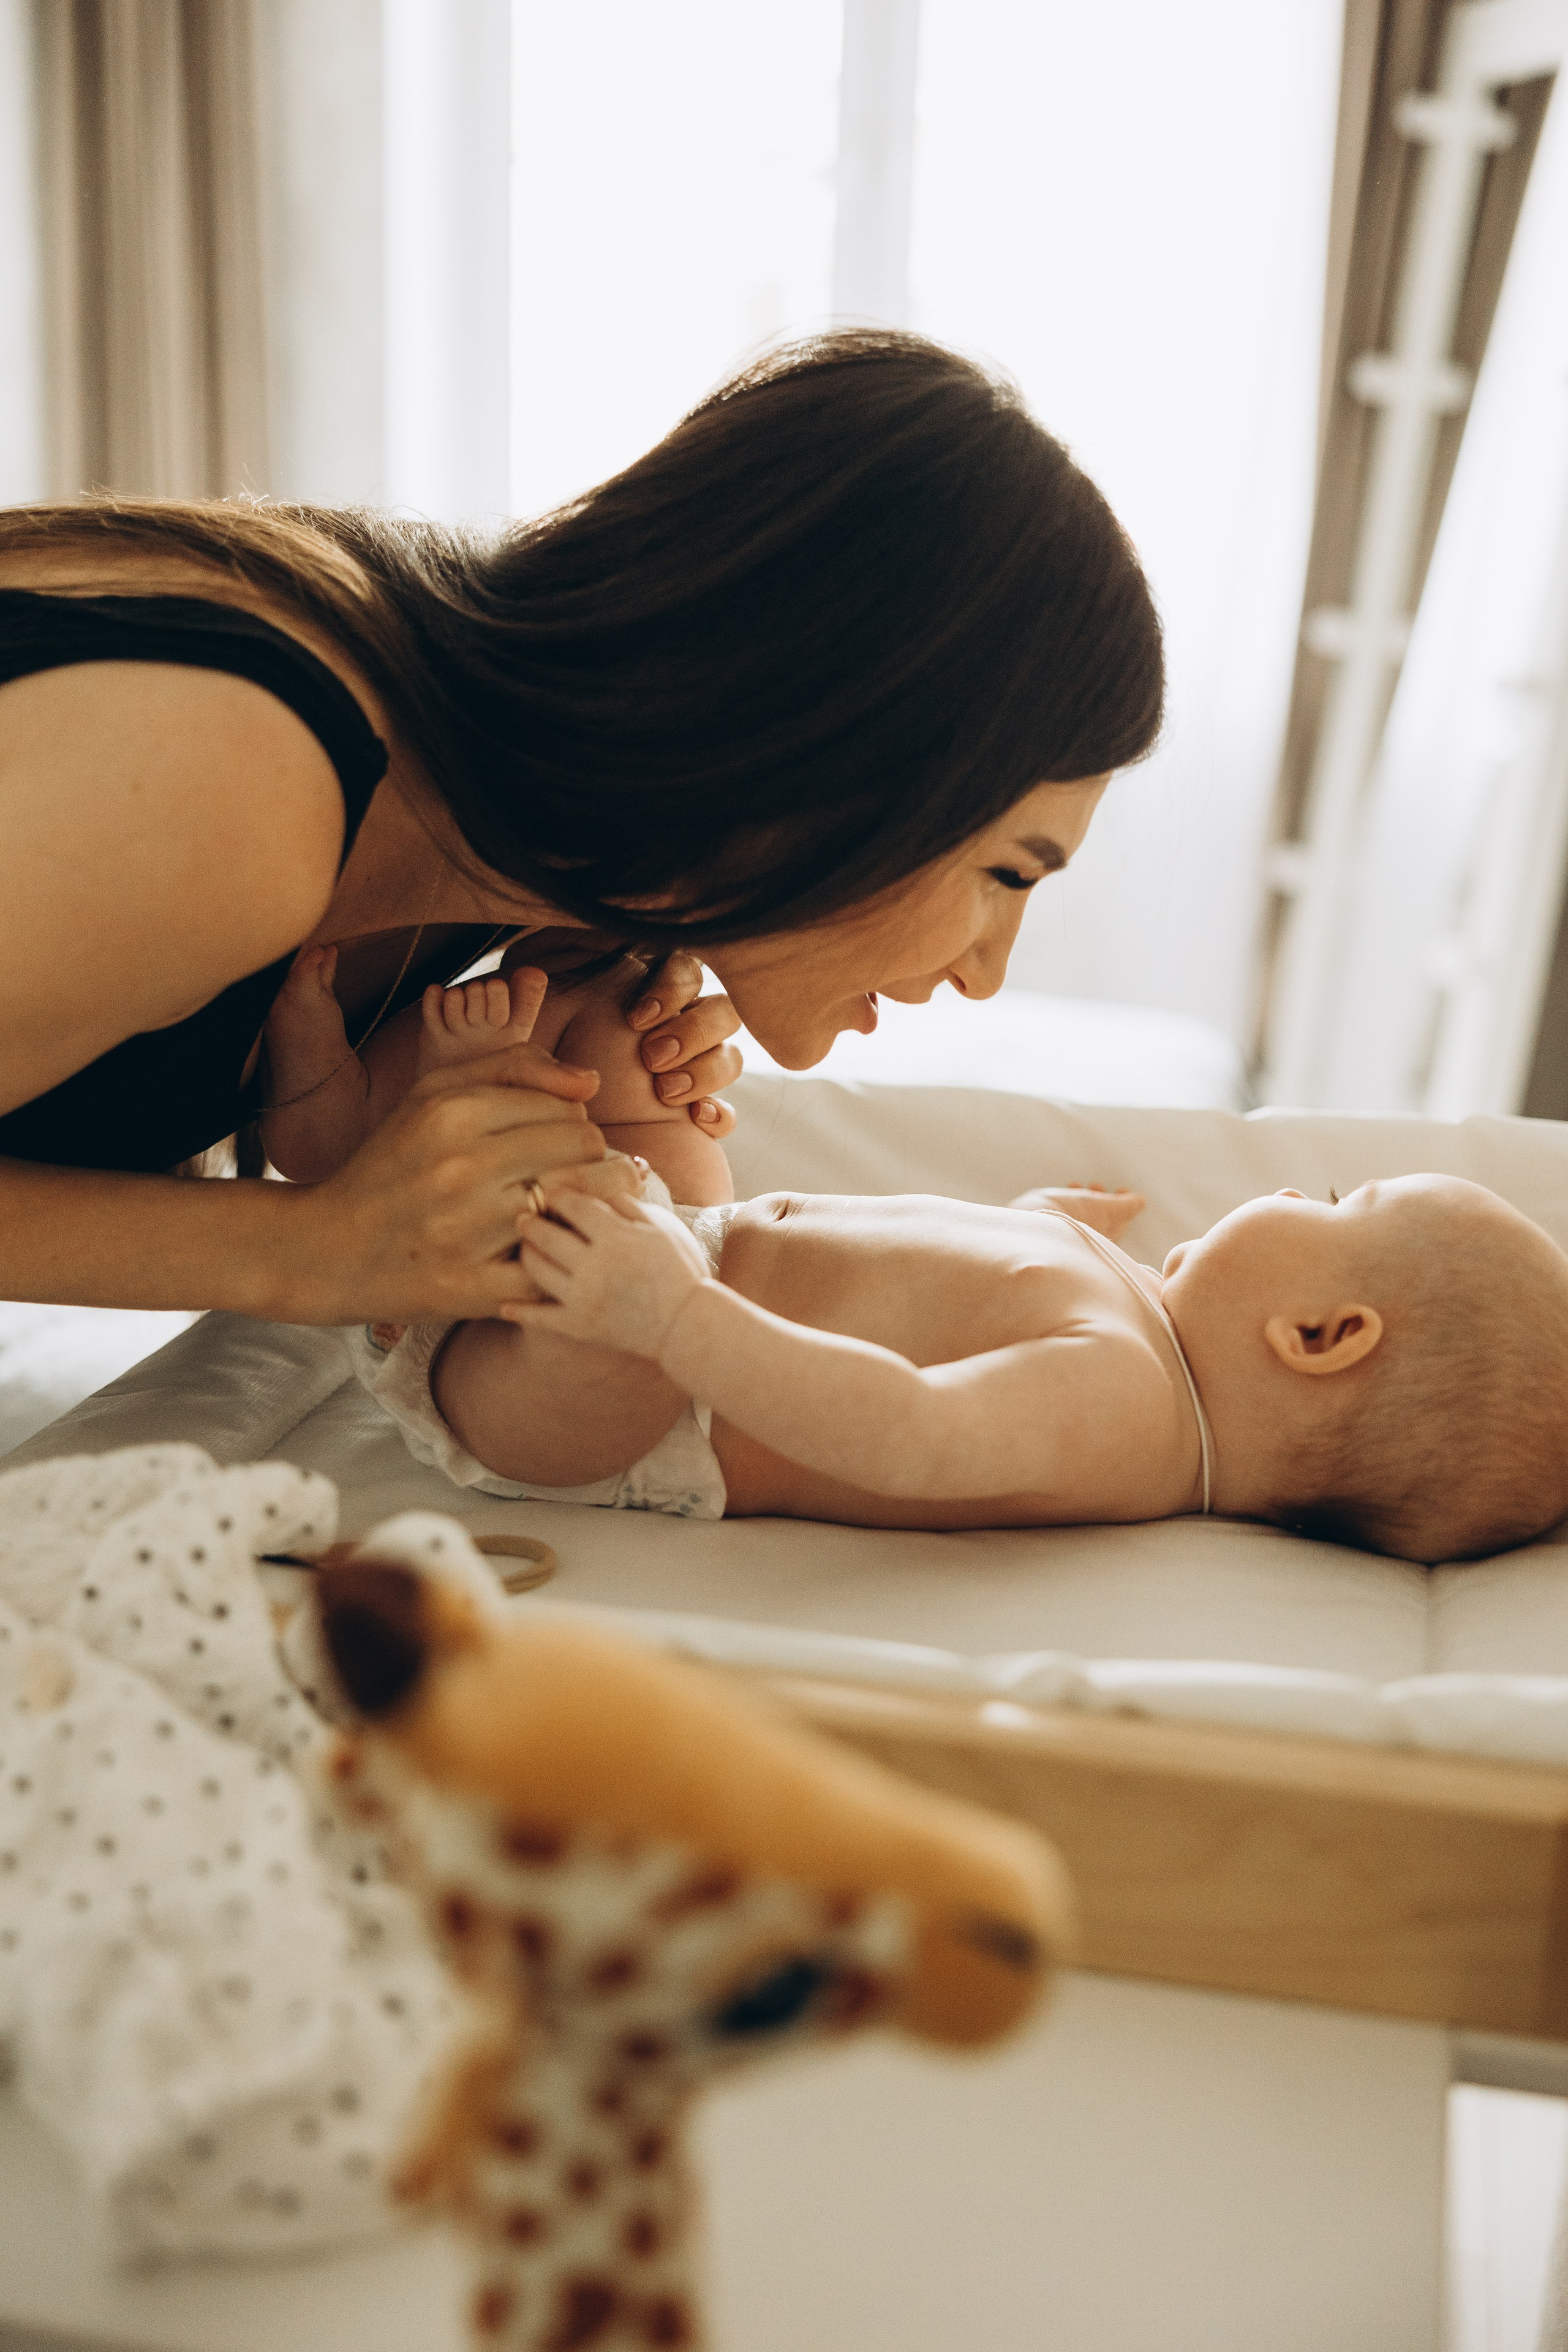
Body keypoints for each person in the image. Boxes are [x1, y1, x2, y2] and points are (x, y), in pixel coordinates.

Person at [0, 330, 1161, 1329]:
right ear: (832, 754)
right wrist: (309, 1248)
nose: (988, 973)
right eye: (1007, 873)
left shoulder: (489, 830)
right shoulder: (246, 778)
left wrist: (485, 1048)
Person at [286, 966, 1568, 1568]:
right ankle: (407, 1144)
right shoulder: (1128, 1329)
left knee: (588, 1192)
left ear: (1320, 1336)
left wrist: (673, 1315)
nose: (1292, 1186)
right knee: (623, 1046)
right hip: (687, 1264)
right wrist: (1031, 1226)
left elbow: (906, 1430)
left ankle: (363, 1138)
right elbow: (943, 1310)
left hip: (627, 1407)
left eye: (1331, 1200)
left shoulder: (1125, 1408)